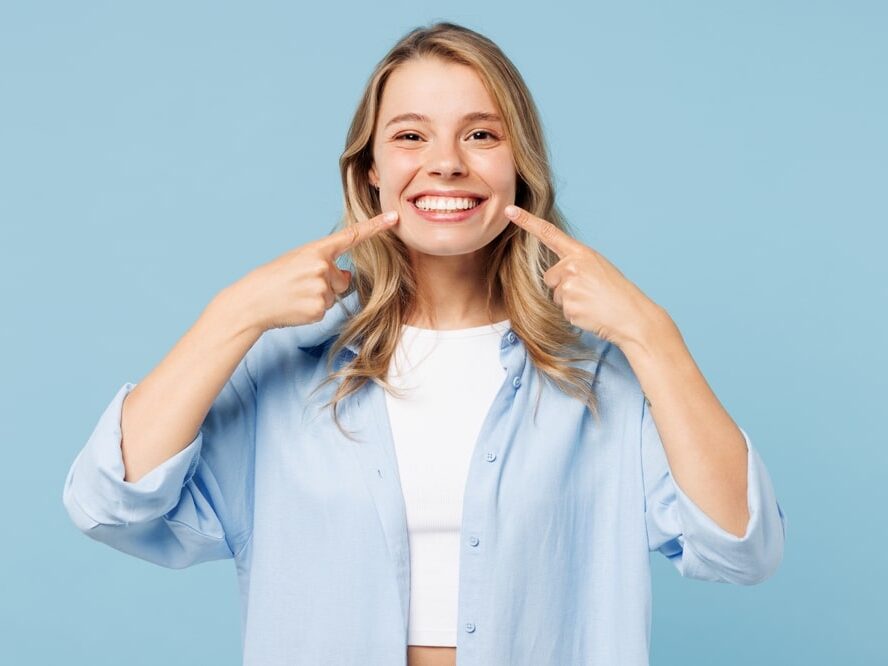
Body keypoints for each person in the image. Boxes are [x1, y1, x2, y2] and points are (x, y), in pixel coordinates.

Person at [62, 21, 787, 666]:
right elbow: (108, 504)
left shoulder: (603, 383)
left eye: (481, 133)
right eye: (410, 135)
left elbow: (741, 549)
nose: (446, 163)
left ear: (518, 167)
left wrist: (652, 334)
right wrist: (233, 314)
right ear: (370, 170)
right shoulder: (288, 376)